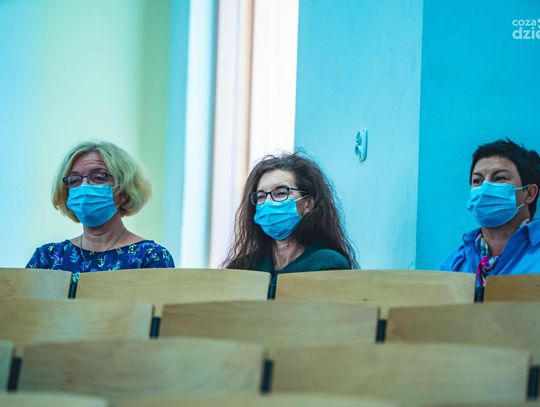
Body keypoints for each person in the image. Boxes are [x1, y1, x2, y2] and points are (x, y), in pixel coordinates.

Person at [26, 141, 175, 281]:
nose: (84, 186)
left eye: (98, 177)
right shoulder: (47, 257)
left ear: (124, 191)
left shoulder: (150, 257)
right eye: (74, 180)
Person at [222, 152, 357, 296]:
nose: (268, 203)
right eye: (261, 196)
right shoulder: (243, 266)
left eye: (281, 193)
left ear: (307, 204)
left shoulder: (329, 264)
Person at [439, 138, 540, 286]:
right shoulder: (454, 264)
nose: (484, 189)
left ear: (529, 193)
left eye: (499, 178)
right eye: (477, 181)